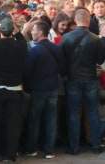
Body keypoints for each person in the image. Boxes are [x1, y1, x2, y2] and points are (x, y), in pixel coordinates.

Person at [0, 16, 27, 162]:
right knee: (12, 124)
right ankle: (11, 154)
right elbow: (22, 40)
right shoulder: (20, 46)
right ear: (13, 30)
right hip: (14, 90)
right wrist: (17, 32)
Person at [61, 8, 105, 154]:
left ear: (76, 20)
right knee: (93, 112)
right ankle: (96, 145)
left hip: (73, 78)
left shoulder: (66, 37)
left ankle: (74, 147)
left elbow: (63, 60)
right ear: (88, 20)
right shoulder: (95, 39)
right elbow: (100, 59)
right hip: (91, 78)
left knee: (74, 113)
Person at [24, 21, 65, 159]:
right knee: (51, 119)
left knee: (34, 119)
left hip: (38, 89)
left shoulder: (34, 51)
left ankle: (32, 148)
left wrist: (28, 86)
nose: (32, 32)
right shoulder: (56, 48)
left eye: (34, 30)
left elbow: (27, 71)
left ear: (40, 32)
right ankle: (49, 150)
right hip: (53, 87)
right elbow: (62, 68)